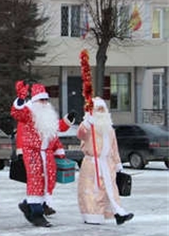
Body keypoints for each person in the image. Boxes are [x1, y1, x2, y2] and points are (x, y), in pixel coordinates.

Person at [11, 81, 73, 227]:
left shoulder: (48, 115)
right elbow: (17, 113)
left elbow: (57, 128)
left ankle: (28, 205)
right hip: (32, 152)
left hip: (47, 153)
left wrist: (68, 120)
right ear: (35, 101)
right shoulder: (28, 112)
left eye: (46, 99)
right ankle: (37, 213)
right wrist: (20, 99)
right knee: (36, 180)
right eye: (41, 99)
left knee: (49, 180)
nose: (44, 102)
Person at [77, 97, 134, 225]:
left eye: (103, 109)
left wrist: (118, 165)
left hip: (108, 164)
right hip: (92, 165)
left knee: (111, 190)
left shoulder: (109, 129)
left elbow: (114, 148)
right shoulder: (88, 126)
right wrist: (88, 123)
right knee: (93, 192)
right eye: (98, 109)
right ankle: (92, 216)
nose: (101, 112)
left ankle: (118, 212)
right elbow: (81, 134)